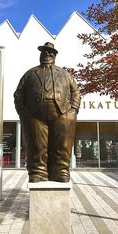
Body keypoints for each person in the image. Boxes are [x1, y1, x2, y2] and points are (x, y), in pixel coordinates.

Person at [14, 42, 81, 182]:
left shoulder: (64, 73)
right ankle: (38, 172)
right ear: (40, 55)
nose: (47, 55)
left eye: (50, 53)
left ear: (55, 56)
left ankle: (61, 171)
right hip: (35, 114)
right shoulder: (30, 73)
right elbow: (18, 93)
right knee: (37, 145)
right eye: (44, 52)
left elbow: (76, 92)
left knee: (62, 144)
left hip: (63, 113)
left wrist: (73, 109)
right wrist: (23, 112)